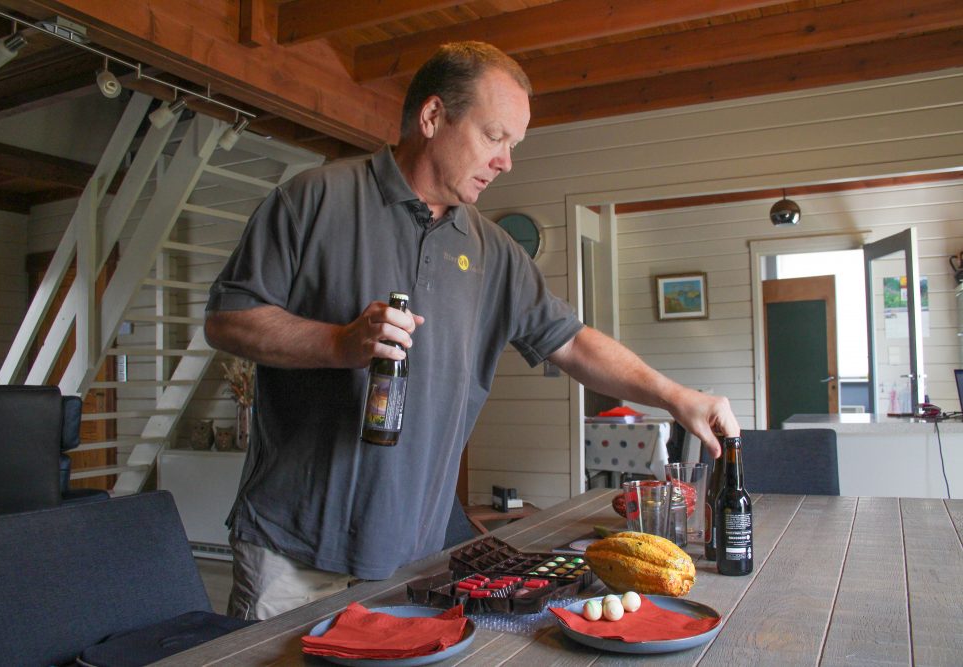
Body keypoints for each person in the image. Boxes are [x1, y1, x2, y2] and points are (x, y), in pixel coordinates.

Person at [205, 41, 739, 620]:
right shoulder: (313, 199)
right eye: (494, 136)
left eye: (514, 143)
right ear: (433, 118)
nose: (507, 160)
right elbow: (228, 320)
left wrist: (677, 396)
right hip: (293, 550)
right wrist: (338, 343)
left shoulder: (494, 251)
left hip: (418, 552)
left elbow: (573, 341)